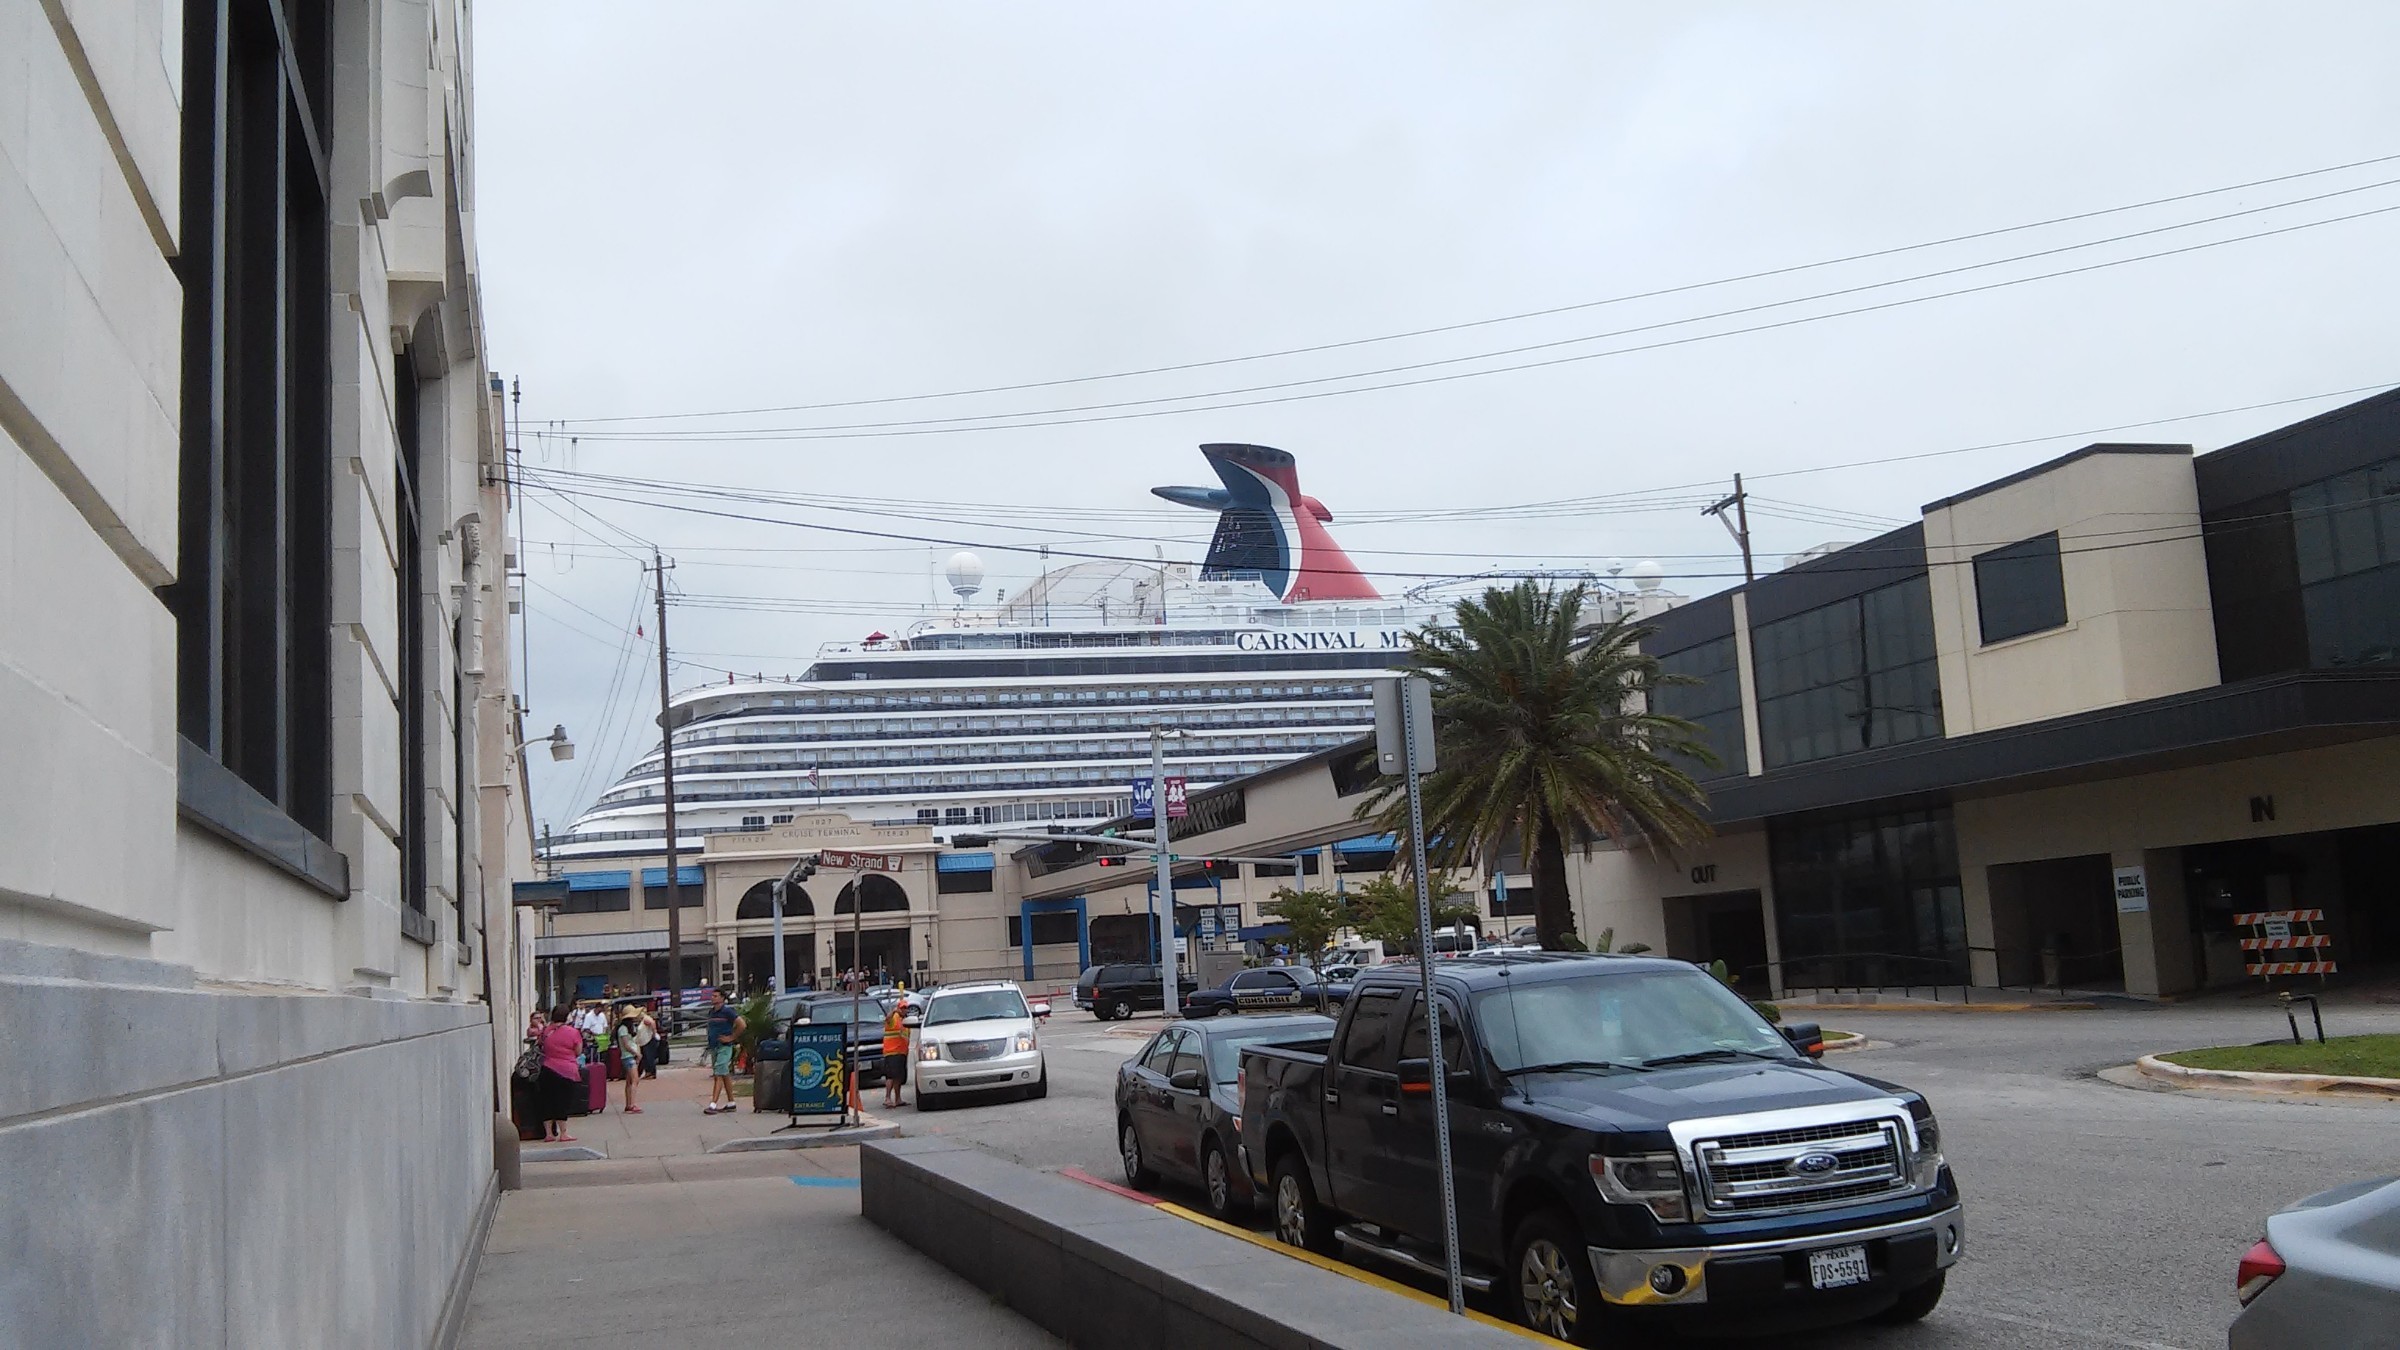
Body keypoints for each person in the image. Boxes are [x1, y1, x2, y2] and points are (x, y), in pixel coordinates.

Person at [536, 1003, 585, 1143]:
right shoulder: (573, 1032)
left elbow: (541, 1046)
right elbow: (578, 1051)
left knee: (547, 1101)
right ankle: (563, 1133)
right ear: (567, 1016)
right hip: (566, 1071)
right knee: (563, 1101)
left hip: (547, 1069)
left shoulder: (546, 1031)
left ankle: (548, 1134)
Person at [702, 988, 743, 1115]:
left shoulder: (727, 1011)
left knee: (718, 1074)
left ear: (722, 998)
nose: (712, 998)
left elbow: (742, 1024)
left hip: (724, 1046)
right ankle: (731, 1102)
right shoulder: (712, 1012)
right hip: (714, 1046)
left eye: (715, 996)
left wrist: (732, 1037)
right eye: (712, 996)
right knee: (724, 1074)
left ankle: (713, 1104)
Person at [614, 1003, 647, 1113]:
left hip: (629, 1056)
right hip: (628, 1056)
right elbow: (626, 1045)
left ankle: (629, 1104)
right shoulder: (623, 1029)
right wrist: (636, 1053)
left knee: (629, 1081)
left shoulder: (626, 1028)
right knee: (634, 1080)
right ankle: (632, 1104)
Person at [879, 999, 910, 1109]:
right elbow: (887, 1019)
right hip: (892, 1052)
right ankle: (887, 1098)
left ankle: (898, 1099)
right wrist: (893, 1011)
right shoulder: (894, 1018)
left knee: (898, 1077)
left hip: (901, 1052)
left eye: (906, 1008)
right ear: (898, 1008)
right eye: (902, 1008)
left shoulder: (905, 1021)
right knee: (891, 1076)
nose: (904, 1010)